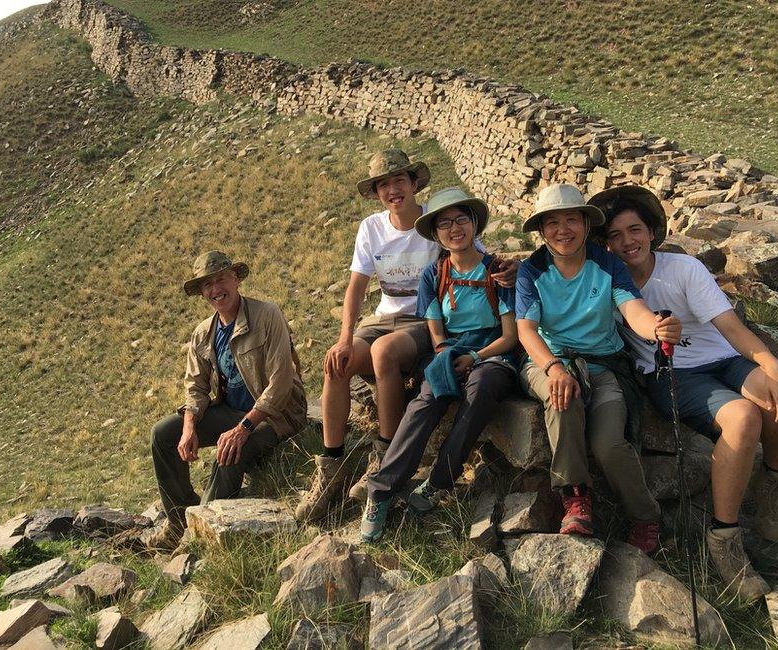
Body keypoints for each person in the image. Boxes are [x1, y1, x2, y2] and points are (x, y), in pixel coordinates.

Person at [591, 184, 778, 600]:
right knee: (744, 418)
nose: (626, 241)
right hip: (671, 374)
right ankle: (724, 537)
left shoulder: (682, 269)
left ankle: (774, 480)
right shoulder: (606, 281)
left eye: (634, 230)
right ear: (605, 245)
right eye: (614, 235)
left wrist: (771, 362)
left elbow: (730, 327)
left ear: (652, 231)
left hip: (722, 359)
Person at [295, 149, 517, 522]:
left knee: (383, 353)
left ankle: (383, 457)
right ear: (377, 193)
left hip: (422, 321)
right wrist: (345, 336)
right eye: (384, 184)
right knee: (336, 363)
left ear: (414, 184)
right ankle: (332, 468)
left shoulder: (436, 221)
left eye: (400, 180)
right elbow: (356, 286)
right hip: (383, 316)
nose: (393, 190)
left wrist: (510, 268)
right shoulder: (372, 228)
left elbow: (479, 257)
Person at [515, 183, 682, 554]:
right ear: (541, 231)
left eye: (572, 219)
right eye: (552, 222)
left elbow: (631, 309)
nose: (563, 230)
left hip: (604, 365)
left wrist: (655, 326)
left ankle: (645, 516)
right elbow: (526, 329)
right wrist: (555, 367)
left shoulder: (606, 264)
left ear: (587, 225)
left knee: (609, 443)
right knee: (562, 399)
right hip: (547, 360)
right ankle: (575, 499)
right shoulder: (531, 271)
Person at [360, 187, 519, 542]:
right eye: (444, 223)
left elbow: (510, 336)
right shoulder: (435, 274)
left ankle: (438, 481)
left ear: (475, 224)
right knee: (424, 402)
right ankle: (380, 492)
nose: (454, 228)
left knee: (481, 389)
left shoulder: (498, 272)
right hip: (450, 350)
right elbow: (435, 324)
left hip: (493, 354)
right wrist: (446, 352)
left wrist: (475, 357)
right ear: (436, 235)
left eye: (462, 219)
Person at [148, 251, 307, 550]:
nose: (215, 289)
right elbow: (194, 386)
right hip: (232, 411)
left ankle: (201, 535)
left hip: (276, 415)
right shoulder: (202, 333)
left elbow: (281, 382)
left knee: (230, 449)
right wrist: (189, 426)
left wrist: (243, 428)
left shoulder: (267, 314)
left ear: (235, 279)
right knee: (163, 433)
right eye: (206, 285)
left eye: (220, 279)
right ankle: (179, 519)